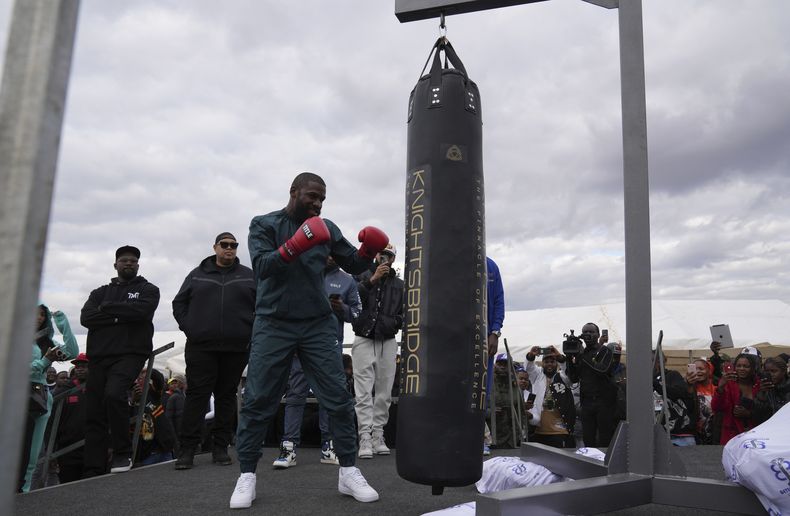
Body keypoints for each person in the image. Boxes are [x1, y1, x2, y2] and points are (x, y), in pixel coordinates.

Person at [229, 172, 388, 509]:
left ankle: (348, 470)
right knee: (258, 399)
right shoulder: (264, 224)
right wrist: (295, 244)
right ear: (294, 191)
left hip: (317, 323)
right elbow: (263, 267)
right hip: (273, 321)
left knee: (338, 397)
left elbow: (354, 263)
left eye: (322, 199)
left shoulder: (326, 227)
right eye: (312, 196)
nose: (317, 204)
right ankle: (247, 474)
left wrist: (369, 248)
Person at [172, 232, 255, 469]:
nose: (229, 248)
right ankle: (187, 450)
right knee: (197, 396)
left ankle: (220, 448)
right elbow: (179, 303)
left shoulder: (249, 276)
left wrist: (249, 332)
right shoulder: (197, 274)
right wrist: (191, 328)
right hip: (201, 346)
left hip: (236, 347)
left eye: (233, 245)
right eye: (224, 244)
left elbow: (262, 305)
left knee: (226, 397)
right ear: (215, 247)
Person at [273, 255, 362, 469]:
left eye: (334, 252)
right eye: (326, 251)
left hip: (328, 346)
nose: (330, 256)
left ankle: (329, 446)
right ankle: (288, 447)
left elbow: (357, 313)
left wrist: (341, 308)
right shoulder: (301, 272)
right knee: (295, 394)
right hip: (300, 344)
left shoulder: (347, 280)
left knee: (329, 397)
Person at [80, 245, 160, 476]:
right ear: (115, 264)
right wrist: (122, 315)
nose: (129, 263)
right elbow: (86, 318)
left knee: (114, 394)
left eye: (133, 261)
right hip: (99, 356)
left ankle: (122, 452)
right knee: (94, 411)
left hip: (130, 353)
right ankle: (93, 467)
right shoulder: (99, 293)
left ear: (138, 265)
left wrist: (107, 310)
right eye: (124, 260)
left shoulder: (148, 289)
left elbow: (142, 312)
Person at [351, 243, 403, 458]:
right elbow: (352, 300)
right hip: (363, 337)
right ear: (376, 255)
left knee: (384, 391)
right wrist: (372, 280)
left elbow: (406, 313)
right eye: (382, 254)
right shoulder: (361, 275)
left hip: (387, 339)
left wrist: (394, 323)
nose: (384, 258)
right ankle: (364, 435)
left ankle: (378, 434)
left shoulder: (400, 284)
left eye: (389, 255)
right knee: (363, 391)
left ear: (393, 259)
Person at [18, 304, 78, 492]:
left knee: (34, 454)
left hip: (42, 398)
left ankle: (24, 491)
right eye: (34, 313)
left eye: (42, 315)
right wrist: (45, 361)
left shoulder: (46, 341)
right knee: (15, 448)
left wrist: (63, 323)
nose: (38, 318)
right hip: (19, 395)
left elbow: (73, 352)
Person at [565, 323, 617, 448]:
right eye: (585, 332)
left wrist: (582, 356)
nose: (588, 334)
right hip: (587, 403)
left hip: (604, 402)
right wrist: (569, 358)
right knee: (588, 439)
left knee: (605, 438)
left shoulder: (605, 351)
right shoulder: (581, 354)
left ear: (598, 335)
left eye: (591, 332)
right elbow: (574, 378)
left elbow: (602, 370)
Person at [525, 347, 576, 448]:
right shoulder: (537, 376)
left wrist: (560, 357)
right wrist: (531, 356)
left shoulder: (562, 377)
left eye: (552, 362)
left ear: (557, 364)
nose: (549, 364)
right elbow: (529, 368)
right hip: (539, 430)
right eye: (546, 362)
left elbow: (570, 373)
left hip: (560, 431)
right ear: (542, 363)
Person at [53, 353, 89, 484]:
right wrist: (52, 451)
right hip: (67, 449)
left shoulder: (99, 388)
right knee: (68, 487)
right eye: (78, 366)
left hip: (92, 447)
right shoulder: (65, 390)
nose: (80, 369)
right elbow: (53, 421)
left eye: (84, 366)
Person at [711, 352, 761, 445]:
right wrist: (720, 388)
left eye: (746, 366)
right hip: (732, 435)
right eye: (739, 366)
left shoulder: (759, 385)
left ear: (753, 368)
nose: (742, 369)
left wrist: (749, 414)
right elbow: (716, 407)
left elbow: (765, 410)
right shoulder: (729, 384)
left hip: (755, 434)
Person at [483, 257, 505, 454]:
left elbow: (499, 300)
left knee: (482, 388)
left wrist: (495, 332)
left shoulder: (490, 266)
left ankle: (479, 436)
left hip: (484, 337)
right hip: (458, 337)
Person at [652, 351, 696, 446]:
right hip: (656, 435)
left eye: (658, 361)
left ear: (663, 361)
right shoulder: (643, 381)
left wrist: (656, 384)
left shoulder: (672, 375)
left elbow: (678, 392)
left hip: (679, 436)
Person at [490, 353, 523, 448]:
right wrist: (490, 412)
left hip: (509, 440)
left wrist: (515, 439)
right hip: (490, 437)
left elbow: (520, 413)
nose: (502, 367)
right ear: (495, 365)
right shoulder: (487, 383)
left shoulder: (515, 387)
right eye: (499, 364)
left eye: (506, 365)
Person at [685, 358, 716, 444]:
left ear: (709, 371)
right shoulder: (688, 387)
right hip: (695, 434)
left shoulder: (717, 388)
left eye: (701, 369)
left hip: (713, 432)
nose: (698, 371)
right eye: (695, 369)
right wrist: (688, 385)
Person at [753, 356, 789, 424]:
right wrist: (762, 395)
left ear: (784, 371)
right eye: (767, 371)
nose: (770, 374)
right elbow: (757, 416)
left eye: (773, 371)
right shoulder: (763, 388)